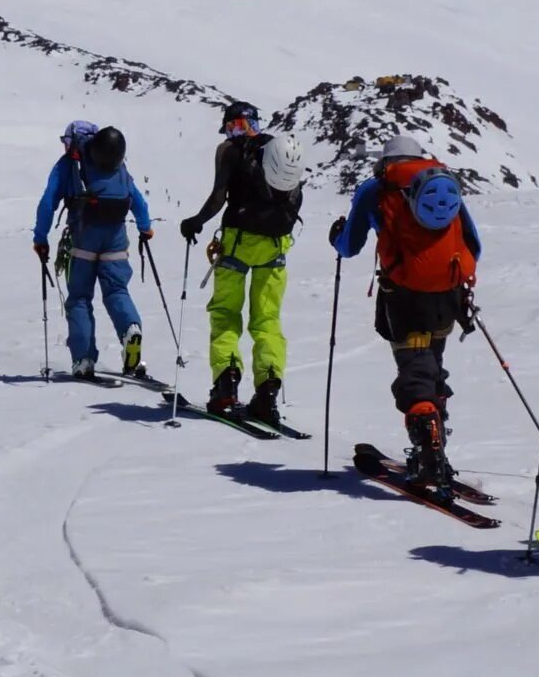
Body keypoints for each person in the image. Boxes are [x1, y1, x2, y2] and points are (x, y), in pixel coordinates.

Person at [331, 133, 480, 490]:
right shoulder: (442, 181)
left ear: (385, 161)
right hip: (447, 296)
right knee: (433, 369)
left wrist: (336, 235)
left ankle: (429, 454)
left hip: (403, 297)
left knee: (415, 373)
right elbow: (473, 241)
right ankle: (437, 449)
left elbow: (349, 246)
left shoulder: (377, 189)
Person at [179, 99, 304, 422]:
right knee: (267, 321)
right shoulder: (277, 150)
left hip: (237, 244)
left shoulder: (230, 151)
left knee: (225, 314)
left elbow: (220, 196)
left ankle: (225, 387)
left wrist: (196, 221)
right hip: (275, 248)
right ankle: (267, 392)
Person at [33, 120, 154, 381]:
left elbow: (47, 202)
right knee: (117, 291)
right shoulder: (117, 165)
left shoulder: (70, 165)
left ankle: (83, 359)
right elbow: (138, 201)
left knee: (79, 299)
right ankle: (130, 328)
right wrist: (145, 229)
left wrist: (40, 238)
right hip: (116, 239)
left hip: (83, 240)